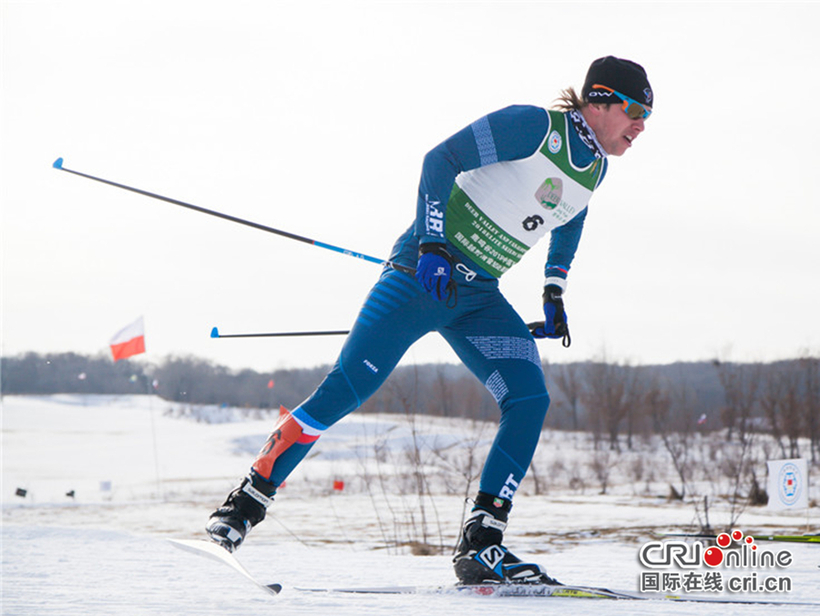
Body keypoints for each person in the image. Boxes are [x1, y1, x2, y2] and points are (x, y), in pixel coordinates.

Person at [207, 56, 653, 585]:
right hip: (422, 275)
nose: (641, 126)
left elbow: (571, 216)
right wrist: (433, 242)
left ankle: (482, 543)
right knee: (349, 387)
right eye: (635, 110)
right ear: (599, 101)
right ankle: (243, 506)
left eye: (647, 116)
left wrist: (553, 286)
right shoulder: (533, 126)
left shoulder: (596, 168)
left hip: (479, 297)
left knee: (529, 397)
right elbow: (440, 160)